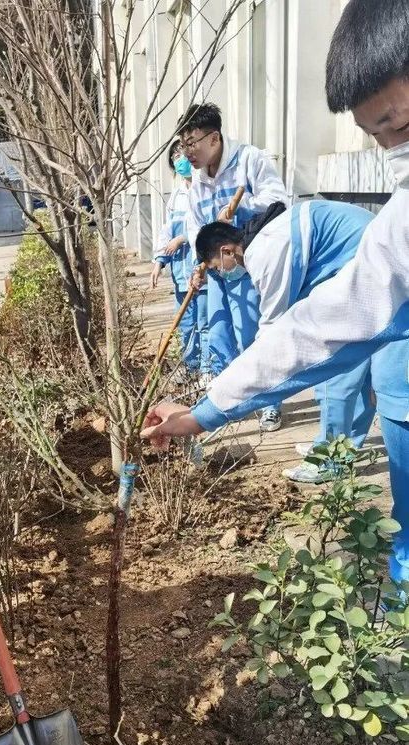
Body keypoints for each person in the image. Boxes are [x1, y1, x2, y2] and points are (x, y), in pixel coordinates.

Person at [141, 0, 409, 585]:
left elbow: (290, 322)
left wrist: (222, 401)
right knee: (384, 388)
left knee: (363, 380)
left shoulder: (269, 243)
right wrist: (210, 407)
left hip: (352, 299)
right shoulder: (400, 225)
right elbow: (319, 325)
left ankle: (335, 454)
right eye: (375, 137)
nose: (392, 153)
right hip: (360, 303)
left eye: (400, 127)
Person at [194, 199, 378, 482]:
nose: (221, 273)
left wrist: (232, 386)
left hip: (364, 268)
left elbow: (273, 329)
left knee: (337, 369)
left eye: (216, 267)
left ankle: (330, 457)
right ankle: (345, 447)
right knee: (357, 367)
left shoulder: (265, 252)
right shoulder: (267, 235)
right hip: (363, 262)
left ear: (226, 250)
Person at [180, 101, 289, 431]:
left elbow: (279, 201)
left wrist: (240, 209)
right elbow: (193, 225)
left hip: (245, 265)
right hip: (215, 270)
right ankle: (228, 400)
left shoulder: (248, 160)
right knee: (219, 335)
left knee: (251, 336)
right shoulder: (198, 181)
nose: (187, 153)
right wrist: (199, 264)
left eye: (191, 143)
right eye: (183, 145)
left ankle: (269, 401)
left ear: (213, 139)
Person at [150, 140, 210, 376]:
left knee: (205, 323)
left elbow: (208, 226)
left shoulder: (205, 189)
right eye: (174, 157)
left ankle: (207, 370)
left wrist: (183, 238)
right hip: (180, 274)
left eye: (182, 154)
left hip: (202, 272)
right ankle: (191, 367)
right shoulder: (176, 195)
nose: (180, 160)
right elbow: (166, 231)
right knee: (185, 324)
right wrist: (158, 261)